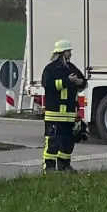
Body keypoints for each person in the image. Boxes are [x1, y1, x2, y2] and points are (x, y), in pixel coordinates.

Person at [41, 39, 86, 172]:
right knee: (52, 142)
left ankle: (64, 166)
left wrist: (80, 82)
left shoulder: (71, 67)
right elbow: (47, 85)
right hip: (54, 114)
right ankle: (49, 168)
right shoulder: (50, 69)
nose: (70, 53)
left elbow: (83, 82)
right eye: (68, 51)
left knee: (68, 142)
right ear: (61, 53)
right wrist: (67, 81)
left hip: (69, 114)